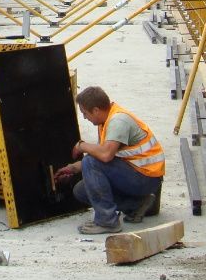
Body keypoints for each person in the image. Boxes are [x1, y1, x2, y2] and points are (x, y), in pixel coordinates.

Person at [54, 86, 165, 234]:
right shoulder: (105, 122)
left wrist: (82, 146)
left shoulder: (118, 121)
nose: (85, 117)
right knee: (81, 190)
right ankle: (137, 205)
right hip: (136, 174)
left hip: (147, 178)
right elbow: (100, 158)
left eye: (85, 113)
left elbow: (105, 156)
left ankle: (107, 222)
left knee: (90, 161)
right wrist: (72, 168)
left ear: (96, 110)